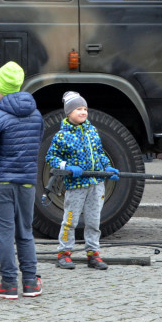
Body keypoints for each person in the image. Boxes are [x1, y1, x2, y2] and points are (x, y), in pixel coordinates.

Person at [0, 62, 44, 299]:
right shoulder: (36, 115)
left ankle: (8, 283)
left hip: (0, 184)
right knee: (25, 232)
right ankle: (30, 282)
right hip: (26, 183)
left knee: (4, 234)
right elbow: (36, 145)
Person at [44, 91, 119, 270]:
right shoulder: (62, 136)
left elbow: (100, 153)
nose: (83, 112)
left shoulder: (92, 131)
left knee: (94, 221)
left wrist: (107, 167)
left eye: (85, 108)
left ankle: (93, 254)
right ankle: (64, 253)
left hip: (96, 184)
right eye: (78, 109)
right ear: (68, 113)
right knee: (70, 221)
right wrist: (67, 167)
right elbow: (51, 158)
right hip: (76, 186)